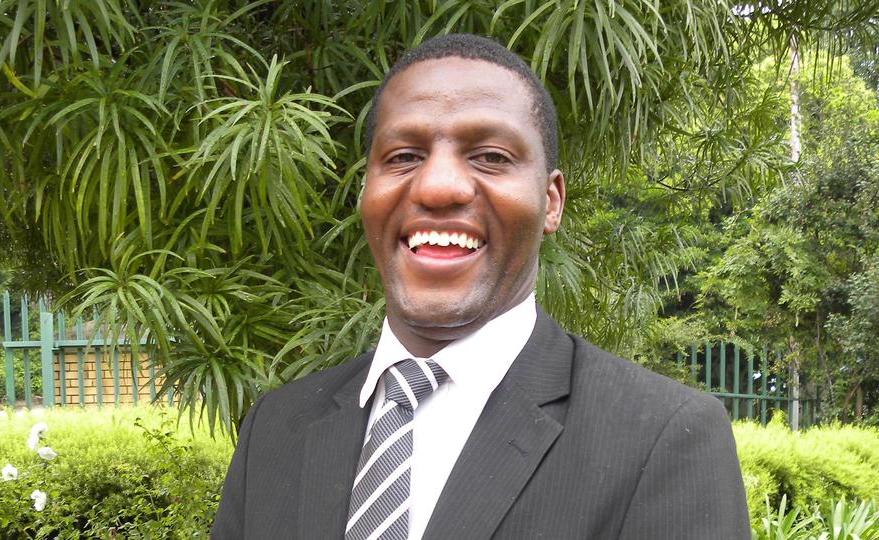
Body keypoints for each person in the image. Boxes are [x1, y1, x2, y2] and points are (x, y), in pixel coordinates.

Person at [211, 33, 749, 539]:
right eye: (403, 157)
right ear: (366, 190)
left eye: (491, 156)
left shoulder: (664, 438)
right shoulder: (275, 429)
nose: (438, 186)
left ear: (551, 202)